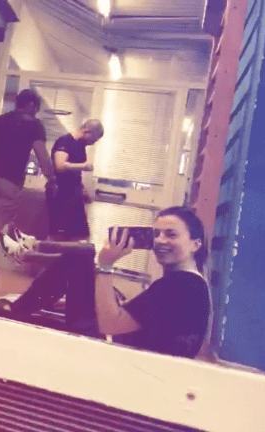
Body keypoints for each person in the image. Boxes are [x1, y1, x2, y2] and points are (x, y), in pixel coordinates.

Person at [94, 206, 212, 358]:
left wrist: (105, 266)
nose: (159, 240)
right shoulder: (193, 284)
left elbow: (110, 324)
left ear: (195, 244)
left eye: (171, 235)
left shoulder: (180, 285)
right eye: (155, 234)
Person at [0, 89, 57, 285]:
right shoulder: (34, 125)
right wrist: (51, 178)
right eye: (36, 108)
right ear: (31, 105)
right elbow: (42, 156)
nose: (36, 112)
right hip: (9, 182)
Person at [47, 120, 104, 241]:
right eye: (94, 139)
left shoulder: (80, 146)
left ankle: (70, 253)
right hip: (60, 193)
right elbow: (60, 165)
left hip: (73, 193)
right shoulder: (65, 141)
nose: (94, 142)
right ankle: (48, 253)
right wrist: (84, 166)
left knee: (80, 235)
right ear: (87, 131)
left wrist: (82, 189)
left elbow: (73, 174)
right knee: (58, 235)